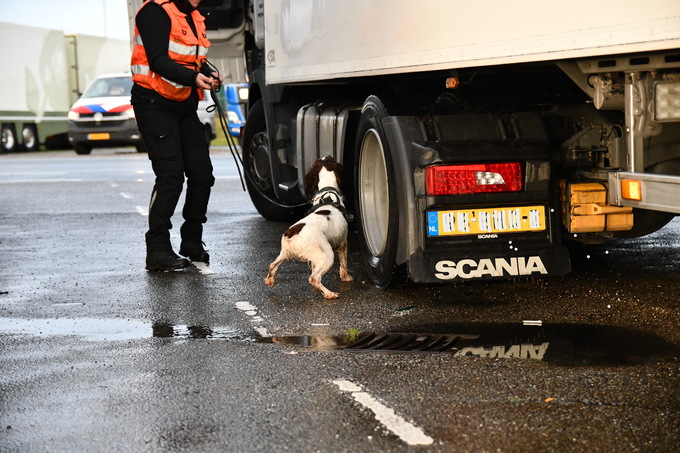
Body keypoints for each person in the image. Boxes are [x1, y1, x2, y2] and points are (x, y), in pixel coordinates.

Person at [130, 0, 223, 271]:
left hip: (182, 105)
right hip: (153, 103)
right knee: (171, 176)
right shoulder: (155, 11)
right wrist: (194, 78)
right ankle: (157, 249)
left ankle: (191, 241)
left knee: (202, 173)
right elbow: (158, 60)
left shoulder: (194, 16)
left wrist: (209, 73)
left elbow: (194, 59)